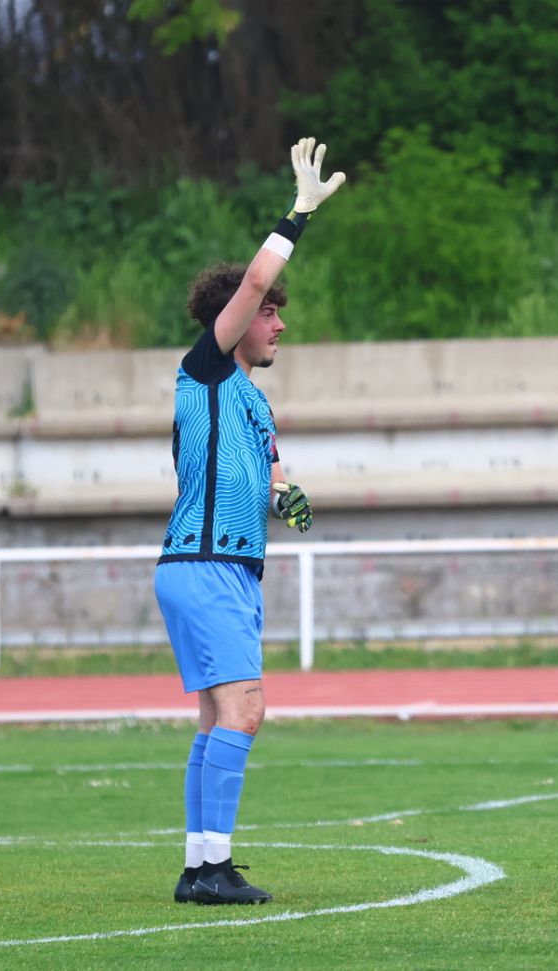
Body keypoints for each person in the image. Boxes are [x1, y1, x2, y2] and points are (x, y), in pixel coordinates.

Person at [154, 137, 344, 905]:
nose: (278, 324)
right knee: (247, 710)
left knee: (216, 717)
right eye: (269, 314)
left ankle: (201, 865)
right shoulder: (205, 367)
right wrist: (299, 212)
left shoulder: (254, 403)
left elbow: (271, 473)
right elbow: (260, 273)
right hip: (205, 564)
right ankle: (214, 868)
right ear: (233, 321)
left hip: (222, 567)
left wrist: (287, 496)